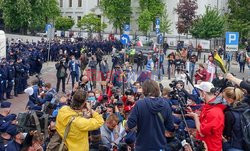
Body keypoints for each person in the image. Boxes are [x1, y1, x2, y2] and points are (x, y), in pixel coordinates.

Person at [127, 80, 174, 151]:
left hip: (142, 146)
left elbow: (130, 124)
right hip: (159, 146)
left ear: (144, 90)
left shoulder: (139, 104)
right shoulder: (165, 104)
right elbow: (170, 127)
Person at [187, 82, 226, 151]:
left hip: (210, 147)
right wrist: (194, 114)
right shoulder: (211, 106)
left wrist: (195, 117)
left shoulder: (214, 111)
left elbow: (202, 133)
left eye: (199, 92)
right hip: (207, 144)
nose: (199, 94)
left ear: (203, 93)